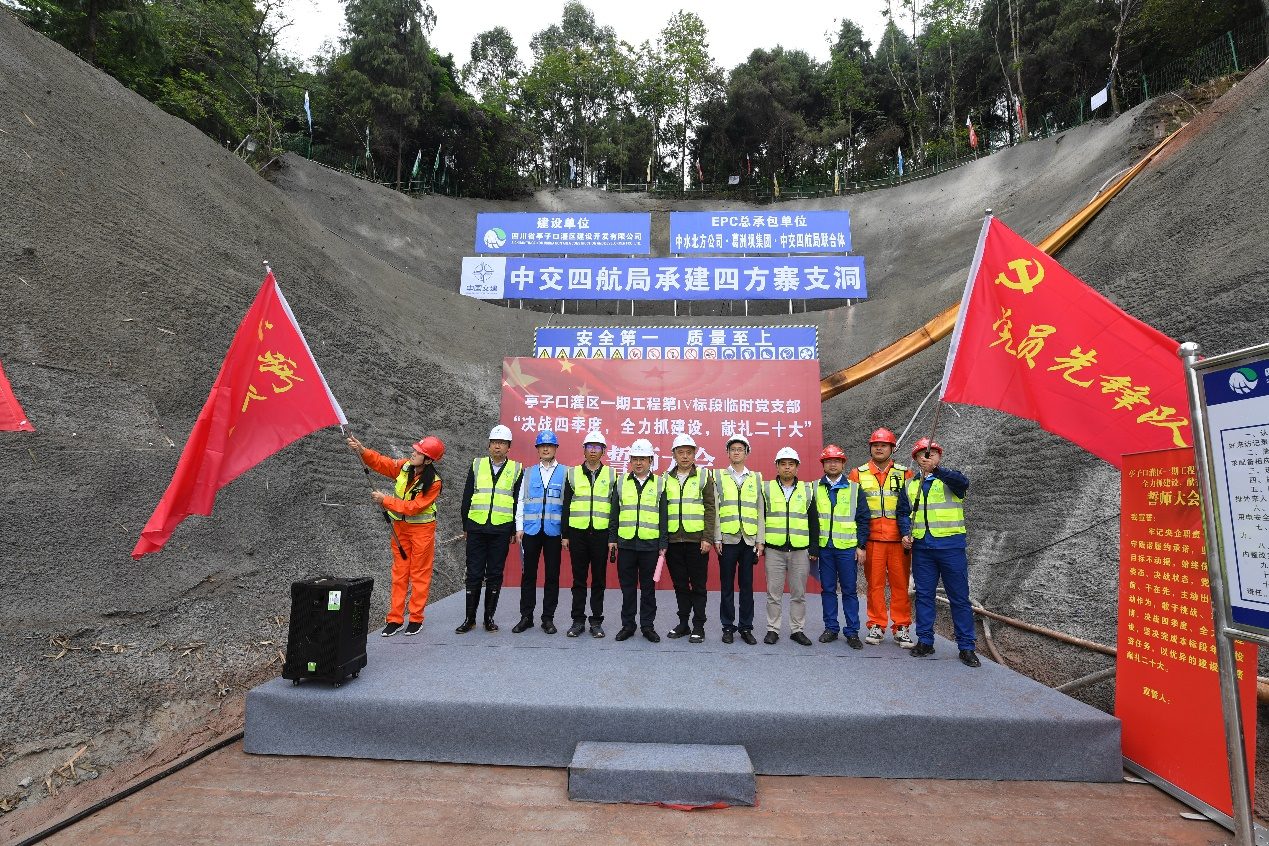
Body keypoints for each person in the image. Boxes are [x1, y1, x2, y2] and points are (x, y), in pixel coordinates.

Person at [346, 434, 444, 637]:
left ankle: (416, 618)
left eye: (419, 452)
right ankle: (395, 619)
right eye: (415, 450)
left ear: (428, 460)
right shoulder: (405, 466)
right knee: (399, 574)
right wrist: (362, 450)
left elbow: (414, 507)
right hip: (400, 530)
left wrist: (385, 500)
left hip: (422, 532)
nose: (413, 453)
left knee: (419, 575)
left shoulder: (434, 483)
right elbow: (384, 463)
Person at [898, 438, 980, 668]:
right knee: (924, 595)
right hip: (922, 549)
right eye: (923, 454)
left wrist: (936, 470)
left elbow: (963, 483)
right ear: (916, 458)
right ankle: (925, 641)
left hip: (950, 547)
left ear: (939, 456)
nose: (928, 456)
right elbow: (903, 513)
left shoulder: (951, 478)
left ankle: (966, 646)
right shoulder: (910, 485)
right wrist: (905, 533)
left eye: (932, 453)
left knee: (959, 598)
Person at [848, 429, 916, 649]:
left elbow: (911, 507)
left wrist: (909, 534)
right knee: (874, 585)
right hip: (872, 540)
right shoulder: (857, 474)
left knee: (900, 585)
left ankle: (901, 627)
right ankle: (876, 624)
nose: (879, 448)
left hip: (899, 541)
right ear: (870, 448)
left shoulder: (905, 473)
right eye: (875, 445)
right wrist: (858, 542)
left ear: (892, 448)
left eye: (884, 445)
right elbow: (852, 511)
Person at [456, 425, 523, 634]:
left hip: (501, 529)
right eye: (494, 442)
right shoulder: (477, 464)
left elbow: (517, 501)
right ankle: (469, 619)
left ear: (509, 447)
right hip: (476, 527)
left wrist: (513, 529)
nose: (497, 446)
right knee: (473, 574)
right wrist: (466, 524)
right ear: (489, 445)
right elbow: (467, 495)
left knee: (494, 574)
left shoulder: (517, 469)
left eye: (502, 443)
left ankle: (488, 618)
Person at [608, 438, 668, 642]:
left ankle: (647, 626)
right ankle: (628, 625)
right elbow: (614, 513)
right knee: (628, 588)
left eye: (643, 459)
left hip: (650, 544)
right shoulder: (621, 482)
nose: (639, 462)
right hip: (626, 543)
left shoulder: (659, 483)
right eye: (635, 458)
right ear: (630, 460)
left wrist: (663, 543)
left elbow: (664, 515)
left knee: (648, 589)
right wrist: (612, 538)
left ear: (651, 460)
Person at [812, 445, 872, 649]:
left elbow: (863, 519)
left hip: (847, 548)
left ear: (843, 464)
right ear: (823, 464)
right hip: (824, 548)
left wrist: (861, 545)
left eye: (836, 461)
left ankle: (852, 632)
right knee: (828, 589)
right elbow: (810, 520)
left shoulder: (854, 489)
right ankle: (831, 628)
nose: (832, 464)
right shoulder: (813, 488)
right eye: (828, 461)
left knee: (849, 590)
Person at [761, 447, 819, 645]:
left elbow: (813, 520)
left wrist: (814, 547)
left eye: (791, 464)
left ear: (797, 467)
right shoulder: (767, 488)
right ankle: (773, 629)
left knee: (798, 594)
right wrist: (761, 543)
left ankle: (797, 630)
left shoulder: (807, 489)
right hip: (774, 549)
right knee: (773, 594)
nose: (787, 467)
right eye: (783, 464)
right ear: (777, 466)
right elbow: (761, 518)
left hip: (800, 550)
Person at [513, 431, 568, 634]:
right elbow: (520, 500)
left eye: (549, 445)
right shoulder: (527, 473)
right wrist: (519, 527)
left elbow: (567, 505)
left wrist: (565, 533)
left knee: (552, 576)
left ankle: (548, 618)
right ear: (537, 449)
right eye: (542, 446)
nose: (545, 449)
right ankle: (526, 617)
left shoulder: (566, 473)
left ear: (555, 448)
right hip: (531, 531)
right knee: (528, 575)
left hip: (554, 532)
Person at [662, 434, 716, 643]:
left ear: (695, 454)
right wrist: (663, 540)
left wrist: (707, 538)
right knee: (680, 585)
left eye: (689, 452)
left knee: (698, 585)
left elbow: (710, 508)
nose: (685, 456)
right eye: (680, 452)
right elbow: (661, 511)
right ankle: (683, 623)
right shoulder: (665, 478)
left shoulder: (703, 476)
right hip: (673, 541)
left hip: (697, 542)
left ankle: (699, 625)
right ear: (674, 455)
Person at [562, 431, 614, 638]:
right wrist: (565, 534)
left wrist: (612, 537)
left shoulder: (612, 475)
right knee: (579, 579)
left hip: (601, 535)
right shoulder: (572, 473)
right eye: (589, 446)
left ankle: (596, 621)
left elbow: (615, 509)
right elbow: (566, 505)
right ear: (583, 450)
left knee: (599, 580)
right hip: (578, 534)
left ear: (603, 451)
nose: (593, 450)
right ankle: (577, 620)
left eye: (597, 447)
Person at [713, 435, 763, 645]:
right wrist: (717, 537)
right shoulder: (718, 476)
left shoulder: (756, 478)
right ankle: (727, 627)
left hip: (749, 539)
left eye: (740, 449)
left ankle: (746, 627)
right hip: (727, 538)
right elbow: (715, 509)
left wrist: (760, 540)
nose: (736, 452)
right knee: (726, 585)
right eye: (733, 449)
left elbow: (760, 510)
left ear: (746, 453)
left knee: (747, 586)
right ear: (728, 453)